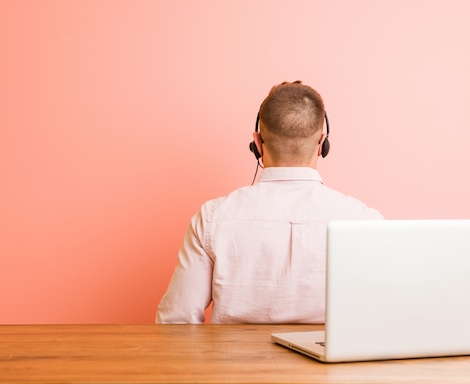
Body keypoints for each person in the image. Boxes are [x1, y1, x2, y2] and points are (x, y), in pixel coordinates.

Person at [156, 81, 383, 324]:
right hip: (331, 362)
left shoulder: (211, 218)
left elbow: (175, 323)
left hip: (231, 362)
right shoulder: (365, 221)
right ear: (322, 143)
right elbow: (384, 316)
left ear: (257, 143)